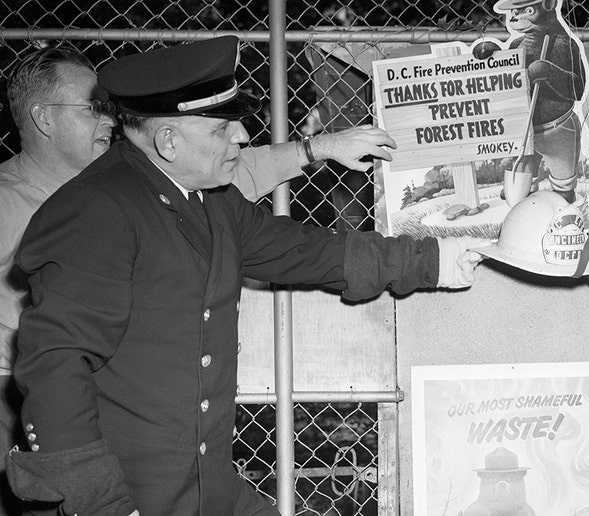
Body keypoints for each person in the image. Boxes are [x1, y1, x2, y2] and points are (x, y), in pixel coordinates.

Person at [5, 35, 486, 516]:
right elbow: (54, 368)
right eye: (221, 128)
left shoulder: (205, 196)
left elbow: (302, 249)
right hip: (127, 494)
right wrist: (103, 505)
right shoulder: (97, 210)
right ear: (168, 142)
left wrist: (434, 259)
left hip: (204, 485)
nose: (240, 135)